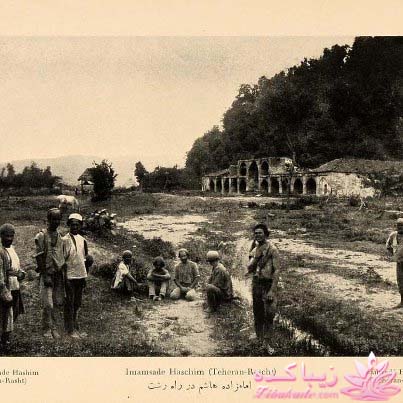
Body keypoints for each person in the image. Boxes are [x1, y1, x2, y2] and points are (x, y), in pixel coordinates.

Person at [34, 208, 66, 339]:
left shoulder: (60, 236)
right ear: (48, 220)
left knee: (57, 301)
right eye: (54, 219)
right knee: (48, 303)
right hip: (47, 273)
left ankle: (54, 328)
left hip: (57, 274)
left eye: (58, 219)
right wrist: (45, 275)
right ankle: (46, 328)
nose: (56, 222)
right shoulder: (41, 236)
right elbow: (39, 257)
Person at [246, 223, 280, 342]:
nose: (258, 235)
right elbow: (249, 267)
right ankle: (259, 337)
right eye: (256, 233)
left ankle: (268, 340)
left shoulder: (272, 249)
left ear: (265, 234)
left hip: (268, 284)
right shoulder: (255, 249)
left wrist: (272, 290)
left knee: (269, 313)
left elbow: (276, 270)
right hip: (257, 283)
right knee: (257, 311)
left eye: (260, 233)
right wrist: (255, 257)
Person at [63, 213, 92, 338]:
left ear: (80, 226)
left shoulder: (82, 240)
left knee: (77, 302)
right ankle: (70, 329)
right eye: (72, 224)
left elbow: (84, 259)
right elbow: (62, 261)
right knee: (69, 302)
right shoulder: (65, 240)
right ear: (69, 225)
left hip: (80, 275)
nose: (75, 227)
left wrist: (85, 276)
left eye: (77, 225)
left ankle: (75, 324)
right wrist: (65, 278)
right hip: (70, 276)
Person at [0, 224, 25, 352]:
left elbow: (16, 266)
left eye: (11, 236)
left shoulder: (12, 249)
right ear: (1, 236)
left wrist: (21, 273)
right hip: (5, 287)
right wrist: (3, 289)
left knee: (13, 313)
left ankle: (5, 339)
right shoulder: (0, 252)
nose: (9, 239)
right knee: (5, 315)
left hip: (15, 286)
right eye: (7, 236)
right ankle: (3, 341)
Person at [386, 218, 403, 308]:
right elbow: (388, 246)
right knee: (400, 281)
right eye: (398, 225)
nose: (400, 227)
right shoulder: (393, 235)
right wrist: (394, 255)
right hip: (400, 263)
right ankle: (402, 302)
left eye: (402, 225)